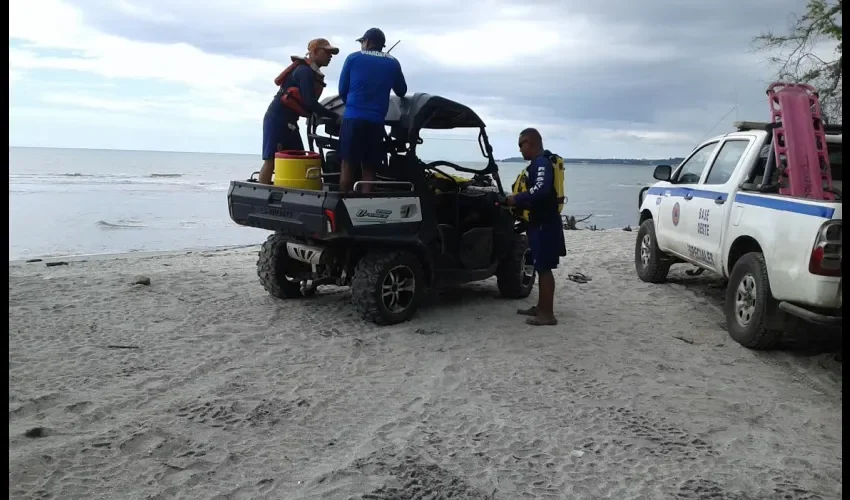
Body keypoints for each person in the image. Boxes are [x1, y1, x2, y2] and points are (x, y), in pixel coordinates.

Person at [504, 128, 567, 326]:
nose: (520, 149)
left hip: (544, 224)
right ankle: (541, 307)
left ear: (530, 142)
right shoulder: (539, 163)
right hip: (539, 222)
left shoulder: (541, 163)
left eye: (521, 145)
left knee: (544, 268)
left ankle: (547, 314)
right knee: (540, 266)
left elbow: (541, 189)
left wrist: (516, 199)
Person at [259, 38, 341, 185]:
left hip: (291, 122)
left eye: (331, 54)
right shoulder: (304, 71)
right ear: (314, 52)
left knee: (299, 158)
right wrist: (335, 116)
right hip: (277, 119)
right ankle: (262, 190)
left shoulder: (310, 72)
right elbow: (310, 103)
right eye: (327, 52)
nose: (330, 56)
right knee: (271, 159)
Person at [337, 28, 408, 193]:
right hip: (376, 122)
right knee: (369, 166)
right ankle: (365, 201)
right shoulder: (393, 62)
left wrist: (352, 106)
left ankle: (344, 199)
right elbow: (402, 91)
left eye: (362, 42)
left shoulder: (353, 58)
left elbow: (342, 90)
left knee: (347, 163)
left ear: (367, 42)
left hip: (353, 119)